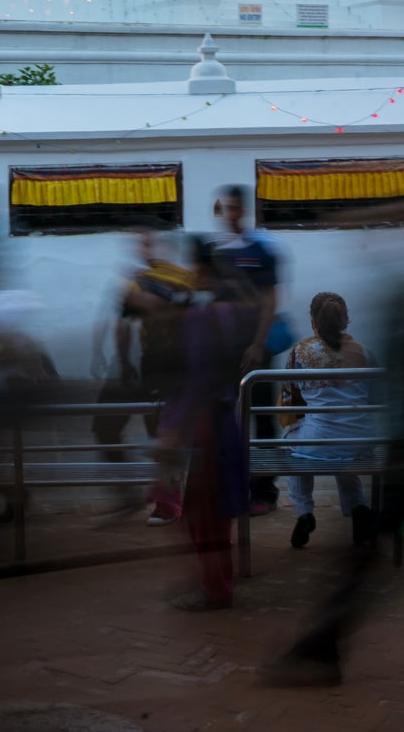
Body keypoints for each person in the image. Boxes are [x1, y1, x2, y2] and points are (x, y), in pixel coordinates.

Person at [157, 240, 260, 612]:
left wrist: (174, 429)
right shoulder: (236, 312)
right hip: (222, 417)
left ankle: (215, 588)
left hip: (206, 424)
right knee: (212, 511)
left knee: (204, 512)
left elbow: (196, 376)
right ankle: (217, 583)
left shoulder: (202, 317)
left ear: (203, 270)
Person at [92, 229, 193, 524]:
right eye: (140, 242)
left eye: (150, 241)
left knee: (160, 432)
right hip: (142, 364)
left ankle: (167, 500)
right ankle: (129, 495)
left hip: (170, 366)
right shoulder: (137, 279)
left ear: (166, 247)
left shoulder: (182, 279)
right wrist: (122, 362)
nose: (143, 247)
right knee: (104, 426)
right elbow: (123, 323)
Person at [281, 292, 375, 550]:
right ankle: (358, 507)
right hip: (360, 441)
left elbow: (290, 397)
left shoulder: (300, 352)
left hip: (321, 441)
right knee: (341, 448)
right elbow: (375, 397)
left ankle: (304, 512)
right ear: (345, 320)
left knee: (294, 442)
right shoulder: (366, 353)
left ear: (313, 320)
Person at [213, 184, 282, 513]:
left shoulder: (261, 250)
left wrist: (257, 343)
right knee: (226, 415)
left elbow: (269, 298)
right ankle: (232, 485)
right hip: (224, 350)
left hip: (258, 349)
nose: (230, 214)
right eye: (226, 208)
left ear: (244, 210)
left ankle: (265, 491)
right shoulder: (217, 252)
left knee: (263, 416)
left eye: (235, 208)